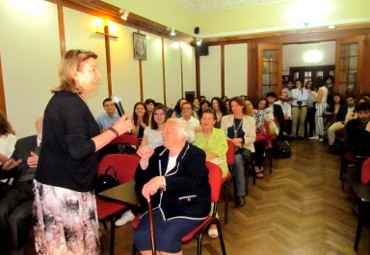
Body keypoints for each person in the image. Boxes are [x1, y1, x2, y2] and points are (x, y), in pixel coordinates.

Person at [33, 49, 133, 254]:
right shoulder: (69, 103)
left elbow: (69, 142)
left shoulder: (71, 100)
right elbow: (79, 149)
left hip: (68, 181)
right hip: (64, 188)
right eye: (93, 69)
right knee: (71, 248)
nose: (99, 75)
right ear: (74, 74)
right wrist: (115, 131)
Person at [133, 118, 211, 255]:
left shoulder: (195, 154)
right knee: (141, 237)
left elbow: (192, 181)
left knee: (166, 238)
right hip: (159, 207)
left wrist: (163, 181)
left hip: (188, 206)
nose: (163, 135)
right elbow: (140, 182)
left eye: (168, 131)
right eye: (164, 131)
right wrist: (144, 160)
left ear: (182, 134)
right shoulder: (159, 152)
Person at [0, 114, 43, 255]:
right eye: (42, 122)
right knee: (1, 210)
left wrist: (43, 162)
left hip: (42, 188)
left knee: (17, 217)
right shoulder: (23, 143)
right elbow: (13, 166)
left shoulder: (59, 144)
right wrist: (8, 167)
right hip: (20, 185)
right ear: (36, 124)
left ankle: (18, 250)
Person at [193, 109, 228, 239]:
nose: (205, 121)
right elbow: (186, 147)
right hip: (200, 167)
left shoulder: (219, 133)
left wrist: (201, 159)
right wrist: (192, 133)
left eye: (209, 119)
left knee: (207, 184)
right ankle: (198, 216)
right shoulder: (196, 133)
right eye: (204, 118)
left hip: (218, 167)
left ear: (214, 121)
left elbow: (219, 151)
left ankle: (213, 220)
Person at [221, 97, 256, 206]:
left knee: (237, 158)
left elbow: (253, 137)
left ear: (242, 106)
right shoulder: (225, 119)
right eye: (232, 106)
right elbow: (222, 135)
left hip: (244, 147)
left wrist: (241, 140)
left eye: (237, 105)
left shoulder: (250, 120)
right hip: (228, 146)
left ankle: (240, 193)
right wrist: (232, 142)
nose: (235, 108)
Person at [251, 99, 274, 177]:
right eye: (260, 103)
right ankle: (257, 164)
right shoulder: (243, 115)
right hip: (247, 136)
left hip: (257, 134)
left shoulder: (262, 113)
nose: (261, 105)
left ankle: (257, 165)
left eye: (263, 104)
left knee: (260, 144)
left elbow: (259, 126)